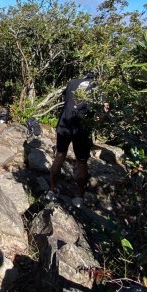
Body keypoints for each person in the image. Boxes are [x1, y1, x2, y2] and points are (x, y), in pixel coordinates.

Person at [48, 72, 103, 206]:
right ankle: (79, 197)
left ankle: (52, 190)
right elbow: (100, 114)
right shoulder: (98, 88)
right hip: (81, 129)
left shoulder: (72, 82)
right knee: (81, 162)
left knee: (60, 155)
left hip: (64, 124)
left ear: (84, 77)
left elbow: (66, 99)